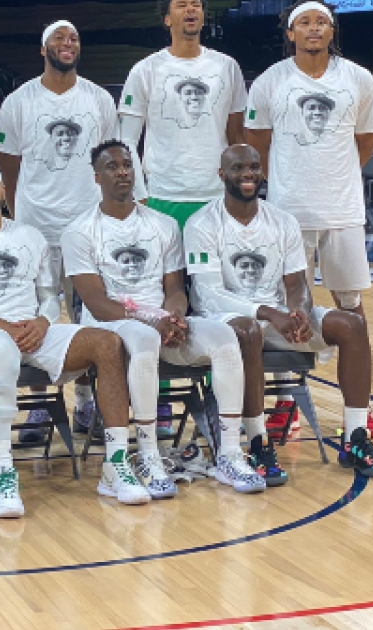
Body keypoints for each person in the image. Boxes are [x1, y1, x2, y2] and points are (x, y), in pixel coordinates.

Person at [0, 162, 135, 517]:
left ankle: (116, 464)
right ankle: (3, 472)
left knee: (108, 343)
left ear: (3, 190)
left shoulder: (31, 236)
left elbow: (49, 297)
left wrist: (43, 322)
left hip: (33, 330)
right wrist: (3, 327)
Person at [64, 141, 264, 499]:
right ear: (96, 177)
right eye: (112, 167)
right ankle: (149, 455)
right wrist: (151, 322)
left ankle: (230, 453)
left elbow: (174, 288)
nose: (122, 172)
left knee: (224, 337)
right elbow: (95, 301)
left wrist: (174, 316)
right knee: (143, 340)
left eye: (127, 165)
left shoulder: (164, 225)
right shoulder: (79, 231)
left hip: (161, 324)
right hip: (111, 327)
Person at [185, 144, 373, 479]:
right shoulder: (201, 224)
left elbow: (296, 283)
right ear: (221, 175)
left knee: (351, 324)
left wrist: (300, 313)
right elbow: (209, 296)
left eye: (254, 167)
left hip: (276, 319)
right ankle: (258, 443)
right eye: (238, 168)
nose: (248, 174)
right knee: (248, 330)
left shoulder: (282, 221)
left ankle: (355, 438)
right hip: (224, 321)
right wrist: (271, 314)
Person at [245, 0, 373, 437]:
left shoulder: (359, 79)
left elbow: (366, 141)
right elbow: (256, 141)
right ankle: (286, 403)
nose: (313, 28)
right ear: (290, 33)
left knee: (351, 307)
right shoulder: (270, 81)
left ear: (332, 30)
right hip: (289, 214)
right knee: (292, 308)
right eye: (304, 22)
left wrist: (335, 177)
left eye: (321, 21)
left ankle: (359, 409)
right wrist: (287, 183)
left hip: (343, 210)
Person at [0, 19, 119, 435]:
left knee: (89, 316)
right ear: (42, 48)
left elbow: (112, 158)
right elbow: (7, 164)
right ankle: (39, 406)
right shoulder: (19, 101)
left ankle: (87, 402)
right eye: (59, 38)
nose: (68, 43)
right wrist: (19, 214)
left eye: (74, 38)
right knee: (32, 315)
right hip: (35, 225)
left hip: (87, 226)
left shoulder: (98, 99)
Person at [118, 0, 247, 229]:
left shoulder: (227, 67)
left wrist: (239, 191)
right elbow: (127, 140)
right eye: (181, 4)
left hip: (217, 195)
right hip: (163, 195)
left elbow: (236, 138)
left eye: (196, 4)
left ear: (203, 16)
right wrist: (139, 195)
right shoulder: (145, 70)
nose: (190, 9)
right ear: (167, 19)